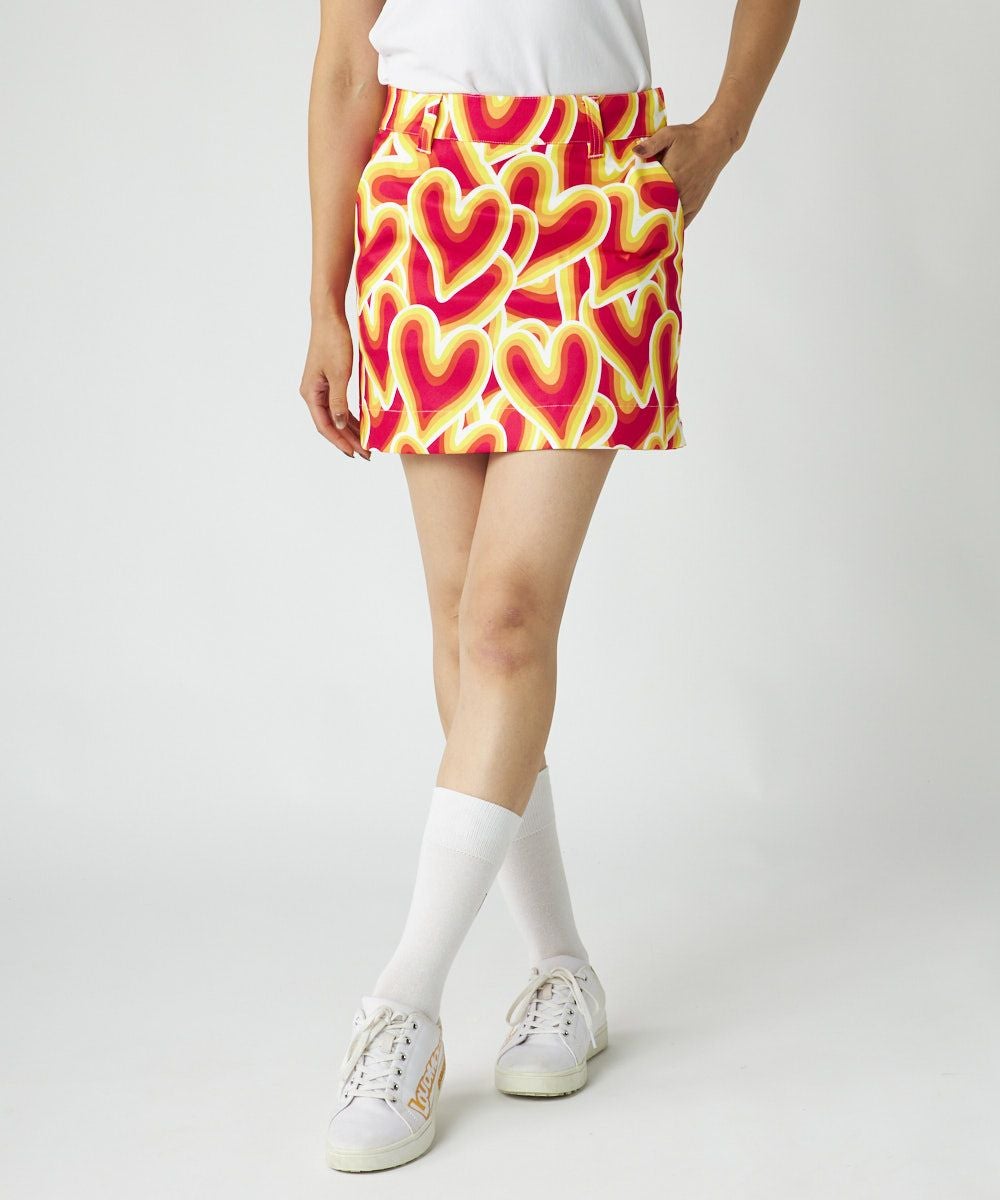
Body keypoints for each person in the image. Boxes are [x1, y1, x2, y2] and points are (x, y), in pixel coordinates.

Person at [300, 0, 799, 1173]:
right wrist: (324, 301)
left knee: (506, 623)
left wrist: (722, 129)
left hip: (590, 189)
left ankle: (404, 1006)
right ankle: (561, 967)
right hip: (424, 193)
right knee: (458, 618)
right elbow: (345, 65)